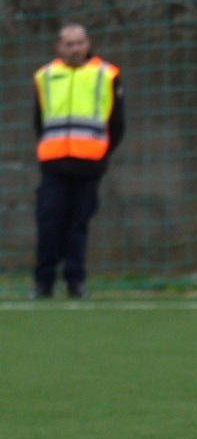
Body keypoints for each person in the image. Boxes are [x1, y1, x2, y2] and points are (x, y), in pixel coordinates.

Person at [32, 23, 126, 298]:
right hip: (53, 164)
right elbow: (39, 120)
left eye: (79, 42)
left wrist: (100, 153)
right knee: (49, 223)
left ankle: (75, 281)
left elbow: (117, 123)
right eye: (69, 44)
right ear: (58, 47)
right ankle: (43, 282)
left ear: (88, 43)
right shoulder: (45, 76)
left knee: (78, 225)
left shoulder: (107, 74)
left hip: (89, 165)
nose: (75, 48)